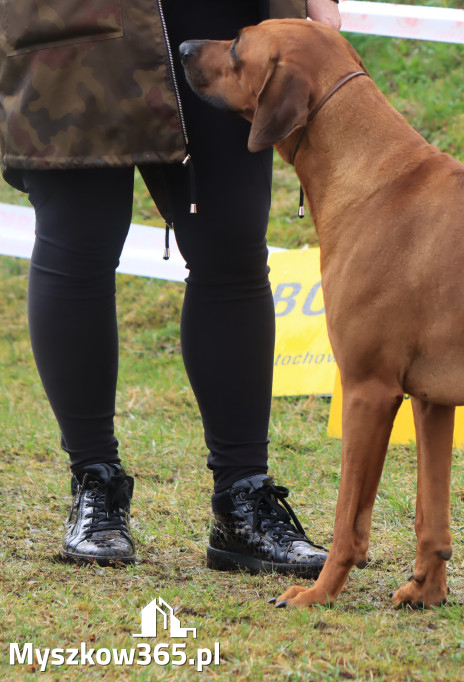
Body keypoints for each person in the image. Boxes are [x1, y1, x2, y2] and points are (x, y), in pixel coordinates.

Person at [0, 0, 342, 575]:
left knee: (232, 245)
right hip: (74, 17)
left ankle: (243, 501)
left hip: (221, 16)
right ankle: (95, 484)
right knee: (78, 241)